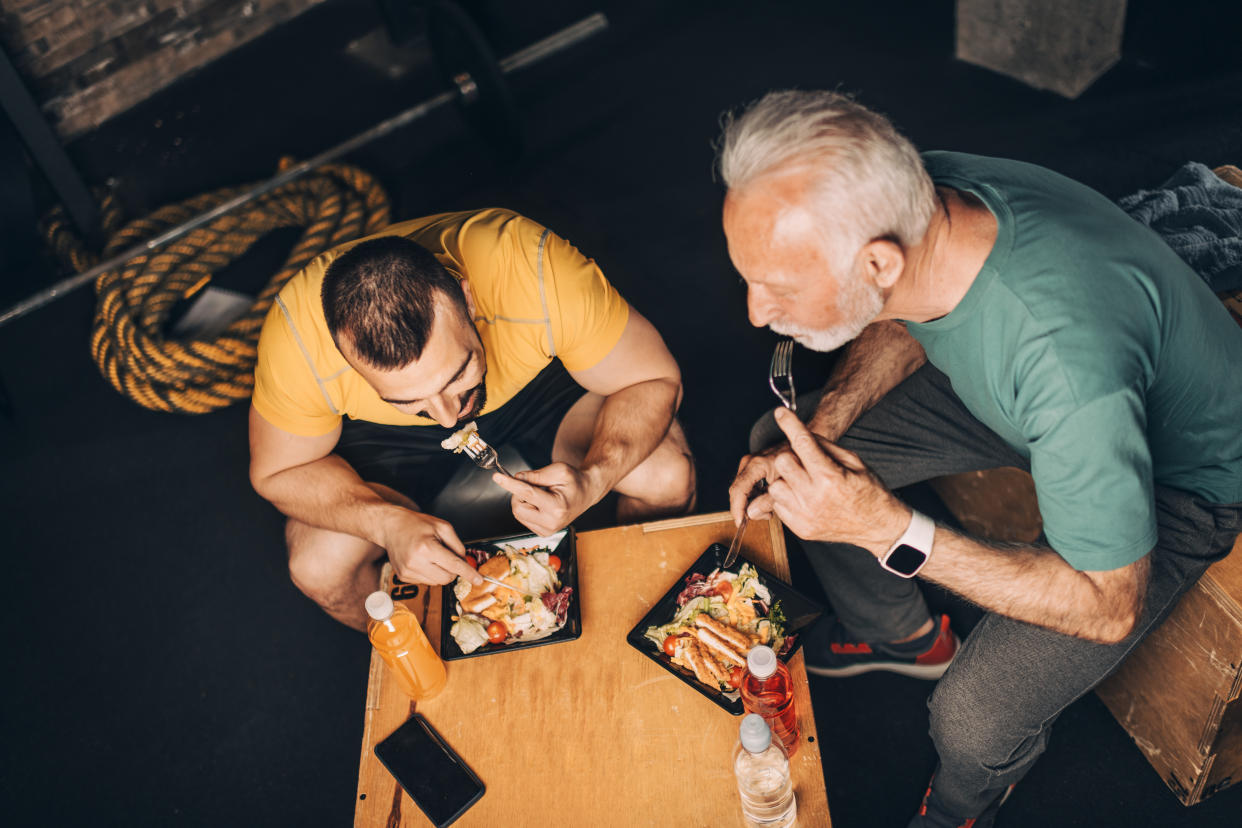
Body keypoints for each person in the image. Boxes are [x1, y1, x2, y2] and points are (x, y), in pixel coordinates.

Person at [718, 90, 1242, 827]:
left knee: (970, 718)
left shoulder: (1066, 366)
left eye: (775, 285)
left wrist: (883, 528)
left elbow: (1107, 603)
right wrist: (827, 433)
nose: (755, 310)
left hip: (1180, 477)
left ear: (877, 259)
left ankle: (963, 809)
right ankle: (901, 636)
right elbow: (902, 312)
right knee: (792, 458)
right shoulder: (919, 195)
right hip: (1037, 406)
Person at [249, 208, 696, 630]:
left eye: (456, 375)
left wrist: (595, 478)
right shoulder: (297, 344)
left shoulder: (531, 266)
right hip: (387, 441)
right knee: (316, 566)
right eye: (406, 398)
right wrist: (382, 522)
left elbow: (655, 378)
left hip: (537, 390)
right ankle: (426, 657)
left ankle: (624, 616)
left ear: (467, 297)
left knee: (666, 476)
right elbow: (278, 472)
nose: (447, 417)